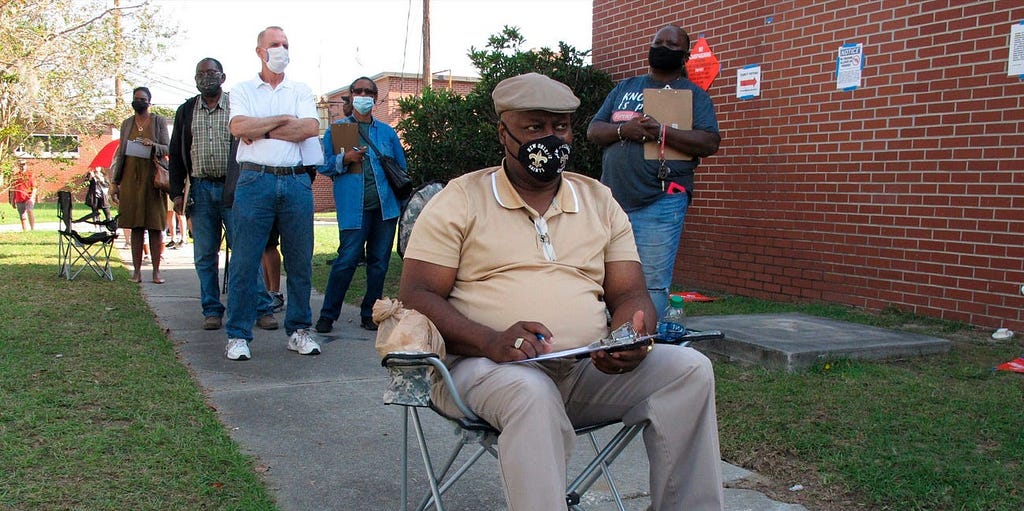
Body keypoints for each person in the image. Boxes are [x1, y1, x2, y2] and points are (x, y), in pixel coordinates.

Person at [399, 72, 724, 510]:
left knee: (688, 370)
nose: (551, 140)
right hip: (481, 369)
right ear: (503, 131)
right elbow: (417, 296)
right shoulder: (460, 200)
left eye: (561, 127)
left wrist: (630, 337)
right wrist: (491, 341)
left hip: (583, 368)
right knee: (529, 392)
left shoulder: (598, 201)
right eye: (534, 128)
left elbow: (630, 293)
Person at [587, 24, 721, 321]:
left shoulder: (693, 95)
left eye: (672, 46)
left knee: (651, 283)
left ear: (685, 57)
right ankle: (609, 341)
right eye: (658, 42)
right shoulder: (625, 87)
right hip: (612, 200)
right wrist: (625, 129)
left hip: (661, 199)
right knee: (604, 277)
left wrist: (661, 132)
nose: (663, 48)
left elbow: (710, 142)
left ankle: (647, 348)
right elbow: (594, 130)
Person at [223, 26, 321, 360]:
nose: (281, 50)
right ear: (259, 51)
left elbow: (309, 128)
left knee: (300, 261)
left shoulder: (301, 89)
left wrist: (261, 127)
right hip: (255, 181)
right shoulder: (243, 89)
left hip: (295, 181)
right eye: (274, 44)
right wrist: (282, 119)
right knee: (245, 260)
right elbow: (238, 127)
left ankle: (298, 330)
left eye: (285, 44)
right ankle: (238, 335)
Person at [169, 57, 278, 332]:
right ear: (195, 79)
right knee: (204, 256)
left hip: (236, 188)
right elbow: (177, 155)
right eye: (201, 73)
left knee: (246, 252)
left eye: (212, 72)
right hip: (200, 190)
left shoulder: (238, 107)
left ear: (223, 76)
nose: (206, 77)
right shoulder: (185, 111)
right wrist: (177, 194)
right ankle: (212, 310)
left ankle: (262, 309)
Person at [315, 76, 406, 333]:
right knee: (346, 261)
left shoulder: (386, 132)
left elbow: (401, 167)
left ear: (376, 99)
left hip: (385, 209)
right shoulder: (340, 129)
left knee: (379, 264)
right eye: (359, 91)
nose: (364, 95)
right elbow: (324, 166)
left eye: (369, 92)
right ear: (351, 95)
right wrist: (345, 159)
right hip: (354, 209)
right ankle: (328, 315)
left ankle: (370, 314)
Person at [110, 86, 171, 284]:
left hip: (153, 181)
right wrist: (114, 182)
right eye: (136, 98)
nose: (139, 101)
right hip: (130, 180)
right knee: (135, 227)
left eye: (143, 99)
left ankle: (156, 271)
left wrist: (152, 145)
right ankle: (136, 271)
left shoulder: (158, 121)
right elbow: (121, 154)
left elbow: (168, 148)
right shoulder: (127, 123)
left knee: (155, 227)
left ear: (149, 102)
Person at [10, 160, 37, 231]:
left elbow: (34, 187)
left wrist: (32, 197)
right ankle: (25, 230)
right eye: (21, 165)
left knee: (29, 210)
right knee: (22, 216)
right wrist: (12, 200)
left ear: (26, 165)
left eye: (24, 164)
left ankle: (32, 229)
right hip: (19, 198)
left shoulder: (30, 175)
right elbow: (14, 189)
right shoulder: (16, 176)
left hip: (28, 197)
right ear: (18, 166)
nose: (22, 166)